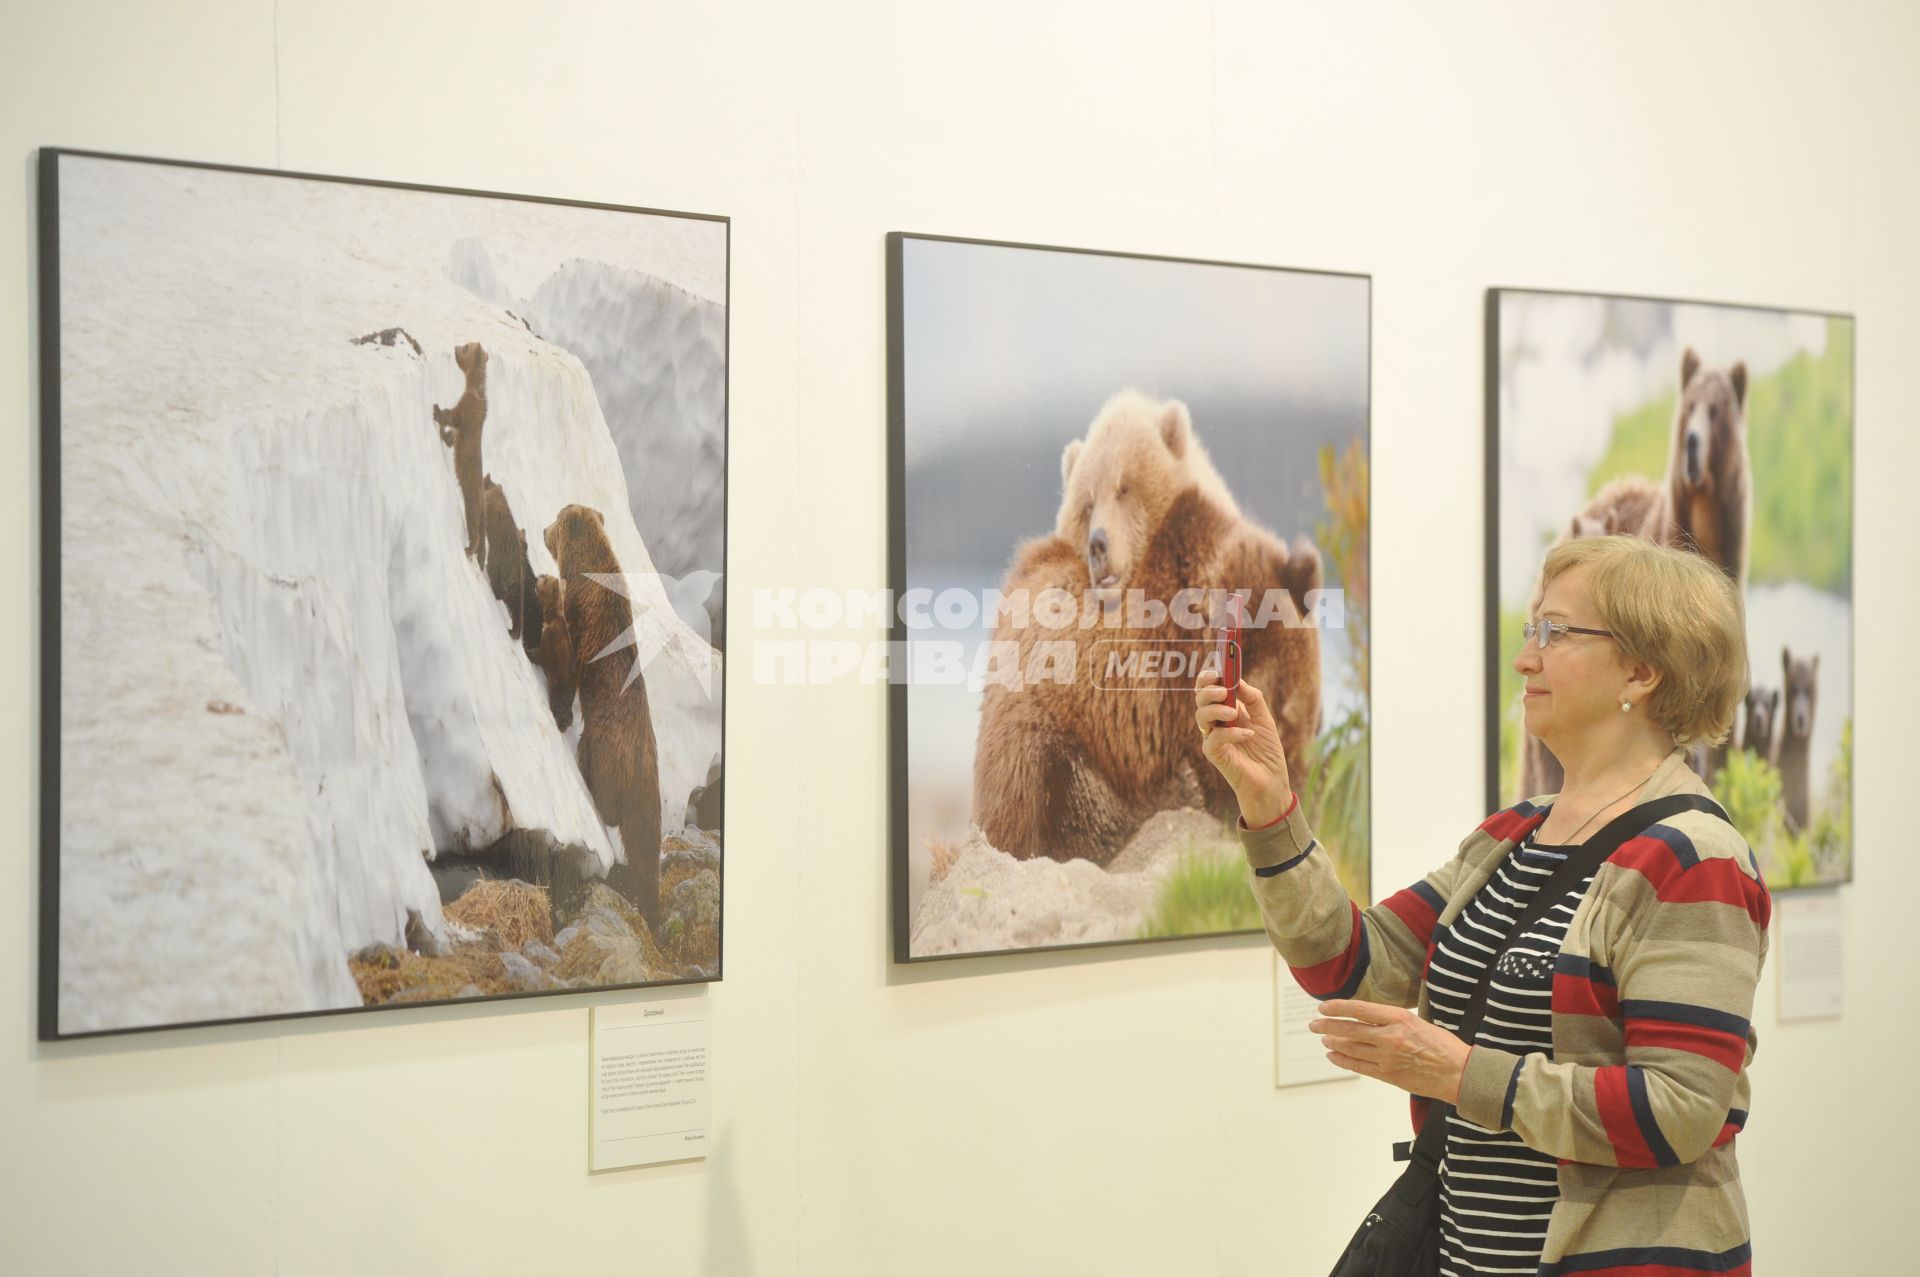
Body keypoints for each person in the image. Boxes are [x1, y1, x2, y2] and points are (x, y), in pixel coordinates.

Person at [1195, 534, 1770, 1276]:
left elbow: (1679, 1108)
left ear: (1642, 669)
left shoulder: (1694, 857)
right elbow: (1353, 961)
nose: (1526, 657)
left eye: (1556, 632)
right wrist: (1270, 804)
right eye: (1531, 630)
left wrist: (1463, 1072)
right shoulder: (1510, 836)